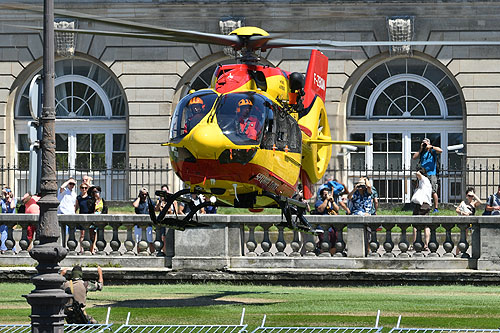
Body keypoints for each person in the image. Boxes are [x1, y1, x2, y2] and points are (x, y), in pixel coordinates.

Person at [412, 138, 442, 213]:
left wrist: (431, 147)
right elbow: (414, 157)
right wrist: (420, 149)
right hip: (423, 173)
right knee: (421, 189)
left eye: (425, 143)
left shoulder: (432, 151)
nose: (425, 144)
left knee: (433, 191)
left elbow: (440, 150)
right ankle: (421, 206)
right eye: (423, 143)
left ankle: (436, 208)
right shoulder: (422, 152)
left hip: (431, 173)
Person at [411, 167, 433, 250]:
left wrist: (417, 172)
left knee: (415, 225)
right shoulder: (427, 183)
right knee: (426, 226)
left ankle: (415, 243)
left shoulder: (424, 180)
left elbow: (419, 174)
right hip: (427, 205)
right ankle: (426, 244)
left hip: (421, 205)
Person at [154, 184, 178, 254]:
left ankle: (169, 251)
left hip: (170, 221)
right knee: (162, 237)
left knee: (169, 237)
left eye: (165, 191)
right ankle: (164, 252)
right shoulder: (160, 200)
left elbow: (175, 212)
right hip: (162, 221)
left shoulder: (173, 200)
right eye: (162, 191)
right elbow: (156, 209)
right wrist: (160, 202)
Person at [133, 187, 155, 253]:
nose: (144, 196)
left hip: (148, 224)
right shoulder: (138, 200)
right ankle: (139, 253)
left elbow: (155, 208)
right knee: (138, 241)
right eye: (142, 194)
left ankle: (152, 253)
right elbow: (135, 205)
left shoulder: (149, 201)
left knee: (150, 241)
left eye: (145, 194)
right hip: (138, 224)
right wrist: (139, 197)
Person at [87, 186, 108, 253]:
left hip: (100, 219)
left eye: (97, 191)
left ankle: (97, 248)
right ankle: (91, 248)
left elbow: (105, 209)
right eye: (94, 192)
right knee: (92, 236)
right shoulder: (90, 200)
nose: (96, 193)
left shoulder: (102, 200)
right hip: (93, 219)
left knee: (99, 234)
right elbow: (90, 209)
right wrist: (94, 201)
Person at [75, 182, 91, 252]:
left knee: (90, 233)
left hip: (88, 216)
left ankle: (90, 248)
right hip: (81, 216)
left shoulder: (89, 197)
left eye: (85, 188)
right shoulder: (78, 197)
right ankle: (81, 249)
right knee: (82, 234)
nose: (84, 189)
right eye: (82, 188)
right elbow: (76, 207)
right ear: (80, 189)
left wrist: (88, 184)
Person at [0, 187, 17, 253]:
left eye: (6, 193)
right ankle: (3, 249)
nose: (5, 194)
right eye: (4, 193)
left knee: (10, 234)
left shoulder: (14, 200)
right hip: (4, 221)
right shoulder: (3, 201)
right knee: (3, 234)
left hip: (11, 220)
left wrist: (10, 198)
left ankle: (12, 249)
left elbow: (12, 206)